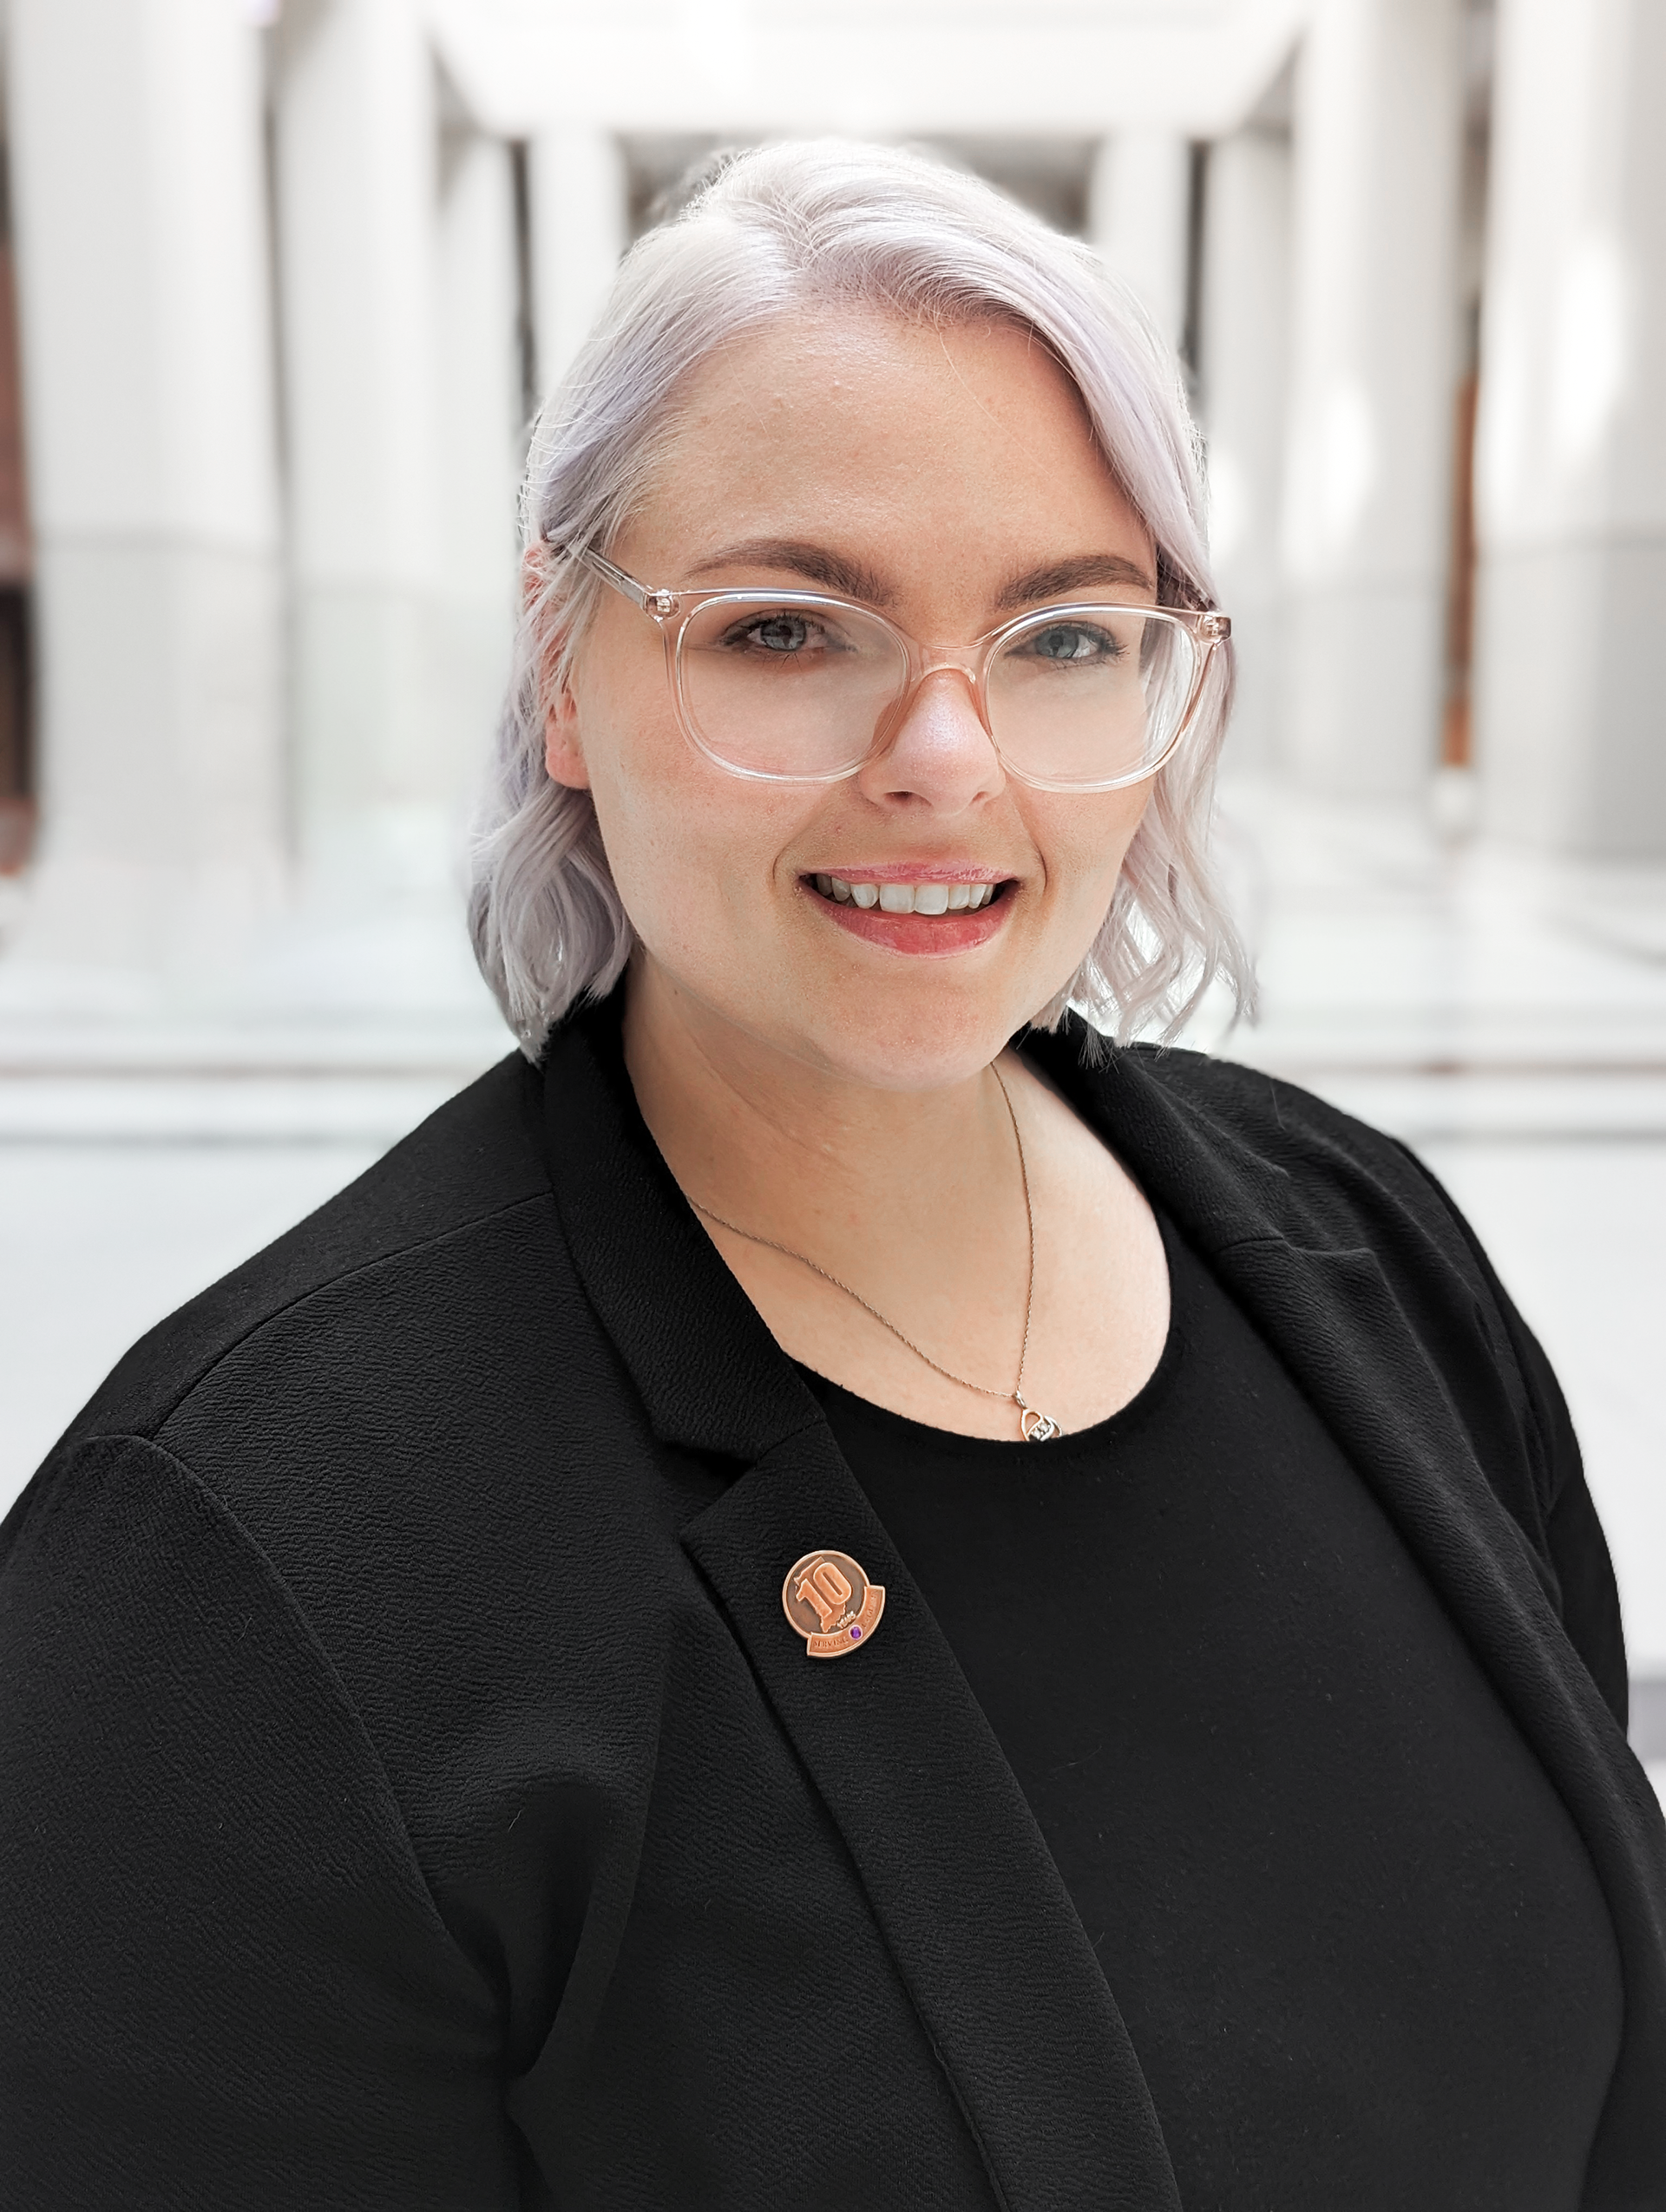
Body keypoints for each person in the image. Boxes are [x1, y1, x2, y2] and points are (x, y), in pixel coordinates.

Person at [2, 140, 1663, 2212]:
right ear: (562, 669)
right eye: (788, 629)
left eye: (1064, 636)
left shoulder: (1372, 1254)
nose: (947, 759)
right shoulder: (238, 1579)